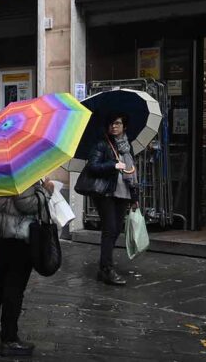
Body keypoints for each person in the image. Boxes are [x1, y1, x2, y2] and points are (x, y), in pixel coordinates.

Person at [0, 179, 54, 357]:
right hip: (17, 233)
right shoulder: (21, 168)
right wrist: (45, 191)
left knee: (0, 279)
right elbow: (25, 203)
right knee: (15, 284)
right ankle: (9, 339)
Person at [76, 113, 138, 286]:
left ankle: (104, 267)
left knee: (117, 229)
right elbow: (93, 166)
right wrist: (113, 165)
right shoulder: (102, 144)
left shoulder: (127, 147)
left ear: (124, 126)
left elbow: (132, 172)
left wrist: (135, 197)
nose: (114, 127)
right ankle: (106, 269)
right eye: (111, 124)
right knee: (109, 229)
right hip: (106, 193)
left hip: (123, 192)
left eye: (118, 123)